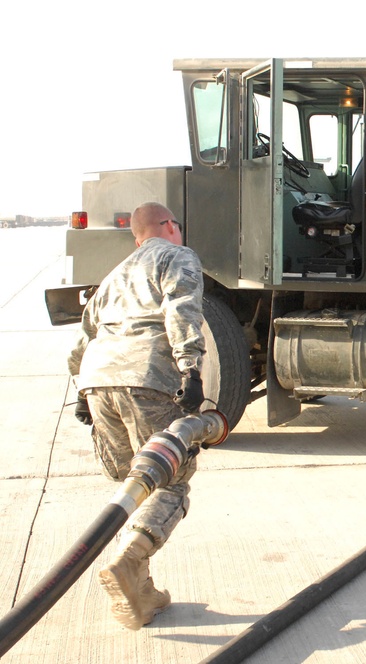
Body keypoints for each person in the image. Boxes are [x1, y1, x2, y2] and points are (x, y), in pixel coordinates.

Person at [68, 201, 206, 630]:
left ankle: (142, 592)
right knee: (171, 478)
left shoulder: (114, 273)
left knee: (133, 483)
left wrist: (80, 391)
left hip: (97, 379)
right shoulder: (177, 256)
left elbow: (84, 335)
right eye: (176, 225)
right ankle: (130, 561)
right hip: (146, 375)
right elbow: (181, 309)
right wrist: (191, 368)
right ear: (167, 227)